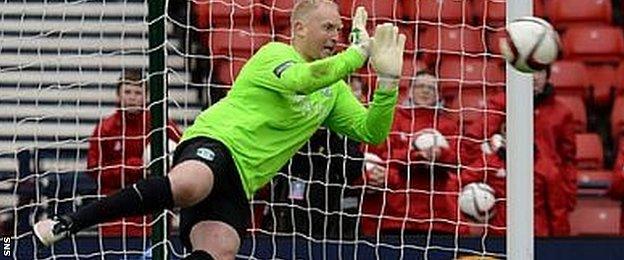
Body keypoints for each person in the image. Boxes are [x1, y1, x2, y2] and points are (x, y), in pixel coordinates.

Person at [34, 1, 406, 259]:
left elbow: (370, 131)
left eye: (340, 30)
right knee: (189, 185)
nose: (335, 36)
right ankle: (70, 221)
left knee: (220, 251)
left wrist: (388, 83)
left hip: (243, 178)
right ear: (299, 29)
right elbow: (302, 80)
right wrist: (357, 55)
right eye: (328, 27)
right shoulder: (275, 55)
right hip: (215, 142)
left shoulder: (334, 90)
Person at [360, 71, 468, 236]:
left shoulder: (449, 125)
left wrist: (441, 155)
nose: (425, 91)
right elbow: (380, 156)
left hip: (438, 218)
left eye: (431, 88)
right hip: (396, 216)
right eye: (420, 86)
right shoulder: (393, 119)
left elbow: (462, 161)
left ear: (439, 95)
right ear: (410, 90)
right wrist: (414, 155)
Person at [85, 69, 181, 237]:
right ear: (118, 95)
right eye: (127, 92)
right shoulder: (105, 129)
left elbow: (182, 155)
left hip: (154, 215)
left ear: (146, 97)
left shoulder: (162, 125)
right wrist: (133, 168)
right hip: (115, 216)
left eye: (138, 92)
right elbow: (93, 170)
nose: (132, 97)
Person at [260, 128, 364, 240]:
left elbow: (353, 169)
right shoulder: (294, 129)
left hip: (336, 213)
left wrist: (331, 136)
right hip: (293, 209)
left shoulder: (342, 132)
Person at [533, 69, 576, 236]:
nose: (534, 76)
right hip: (513, 184)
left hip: (552, 188)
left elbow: (569, 158)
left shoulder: (562, 112)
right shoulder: (503, 108)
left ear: (547, 75)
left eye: (539, 71)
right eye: (529, 71)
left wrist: (569, 193)